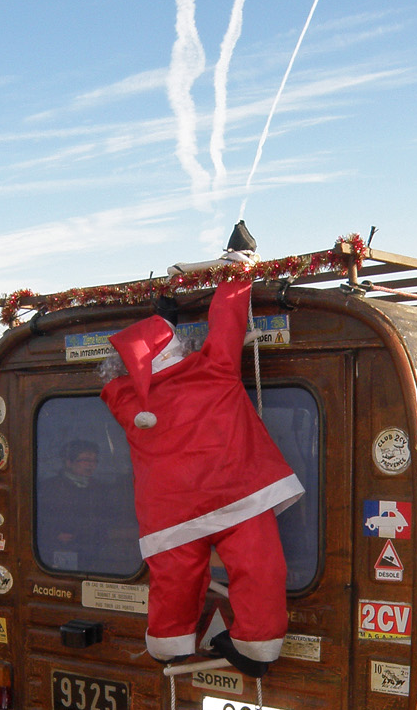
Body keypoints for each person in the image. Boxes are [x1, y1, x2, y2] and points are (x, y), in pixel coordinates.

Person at [101, 276, 302, 676]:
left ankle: (169, 644)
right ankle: (257, 647)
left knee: (174, 580)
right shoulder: (213, 369)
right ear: (178, 350)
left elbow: (126, 377)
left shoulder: (127, 403)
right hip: (239, 496)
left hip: (170, 516)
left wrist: (161, 320)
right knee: (259, 569)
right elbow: (227, 321)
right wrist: (236, 273)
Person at [36, 440, 119, 571]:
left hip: (94, 552)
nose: (91, 465)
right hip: (60, 551)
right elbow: (37, 520)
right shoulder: (50, 487)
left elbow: (110, 518)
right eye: (85, 460)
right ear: (68, 462)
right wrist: (54, 535)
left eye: (94, 461)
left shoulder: (101, 488)